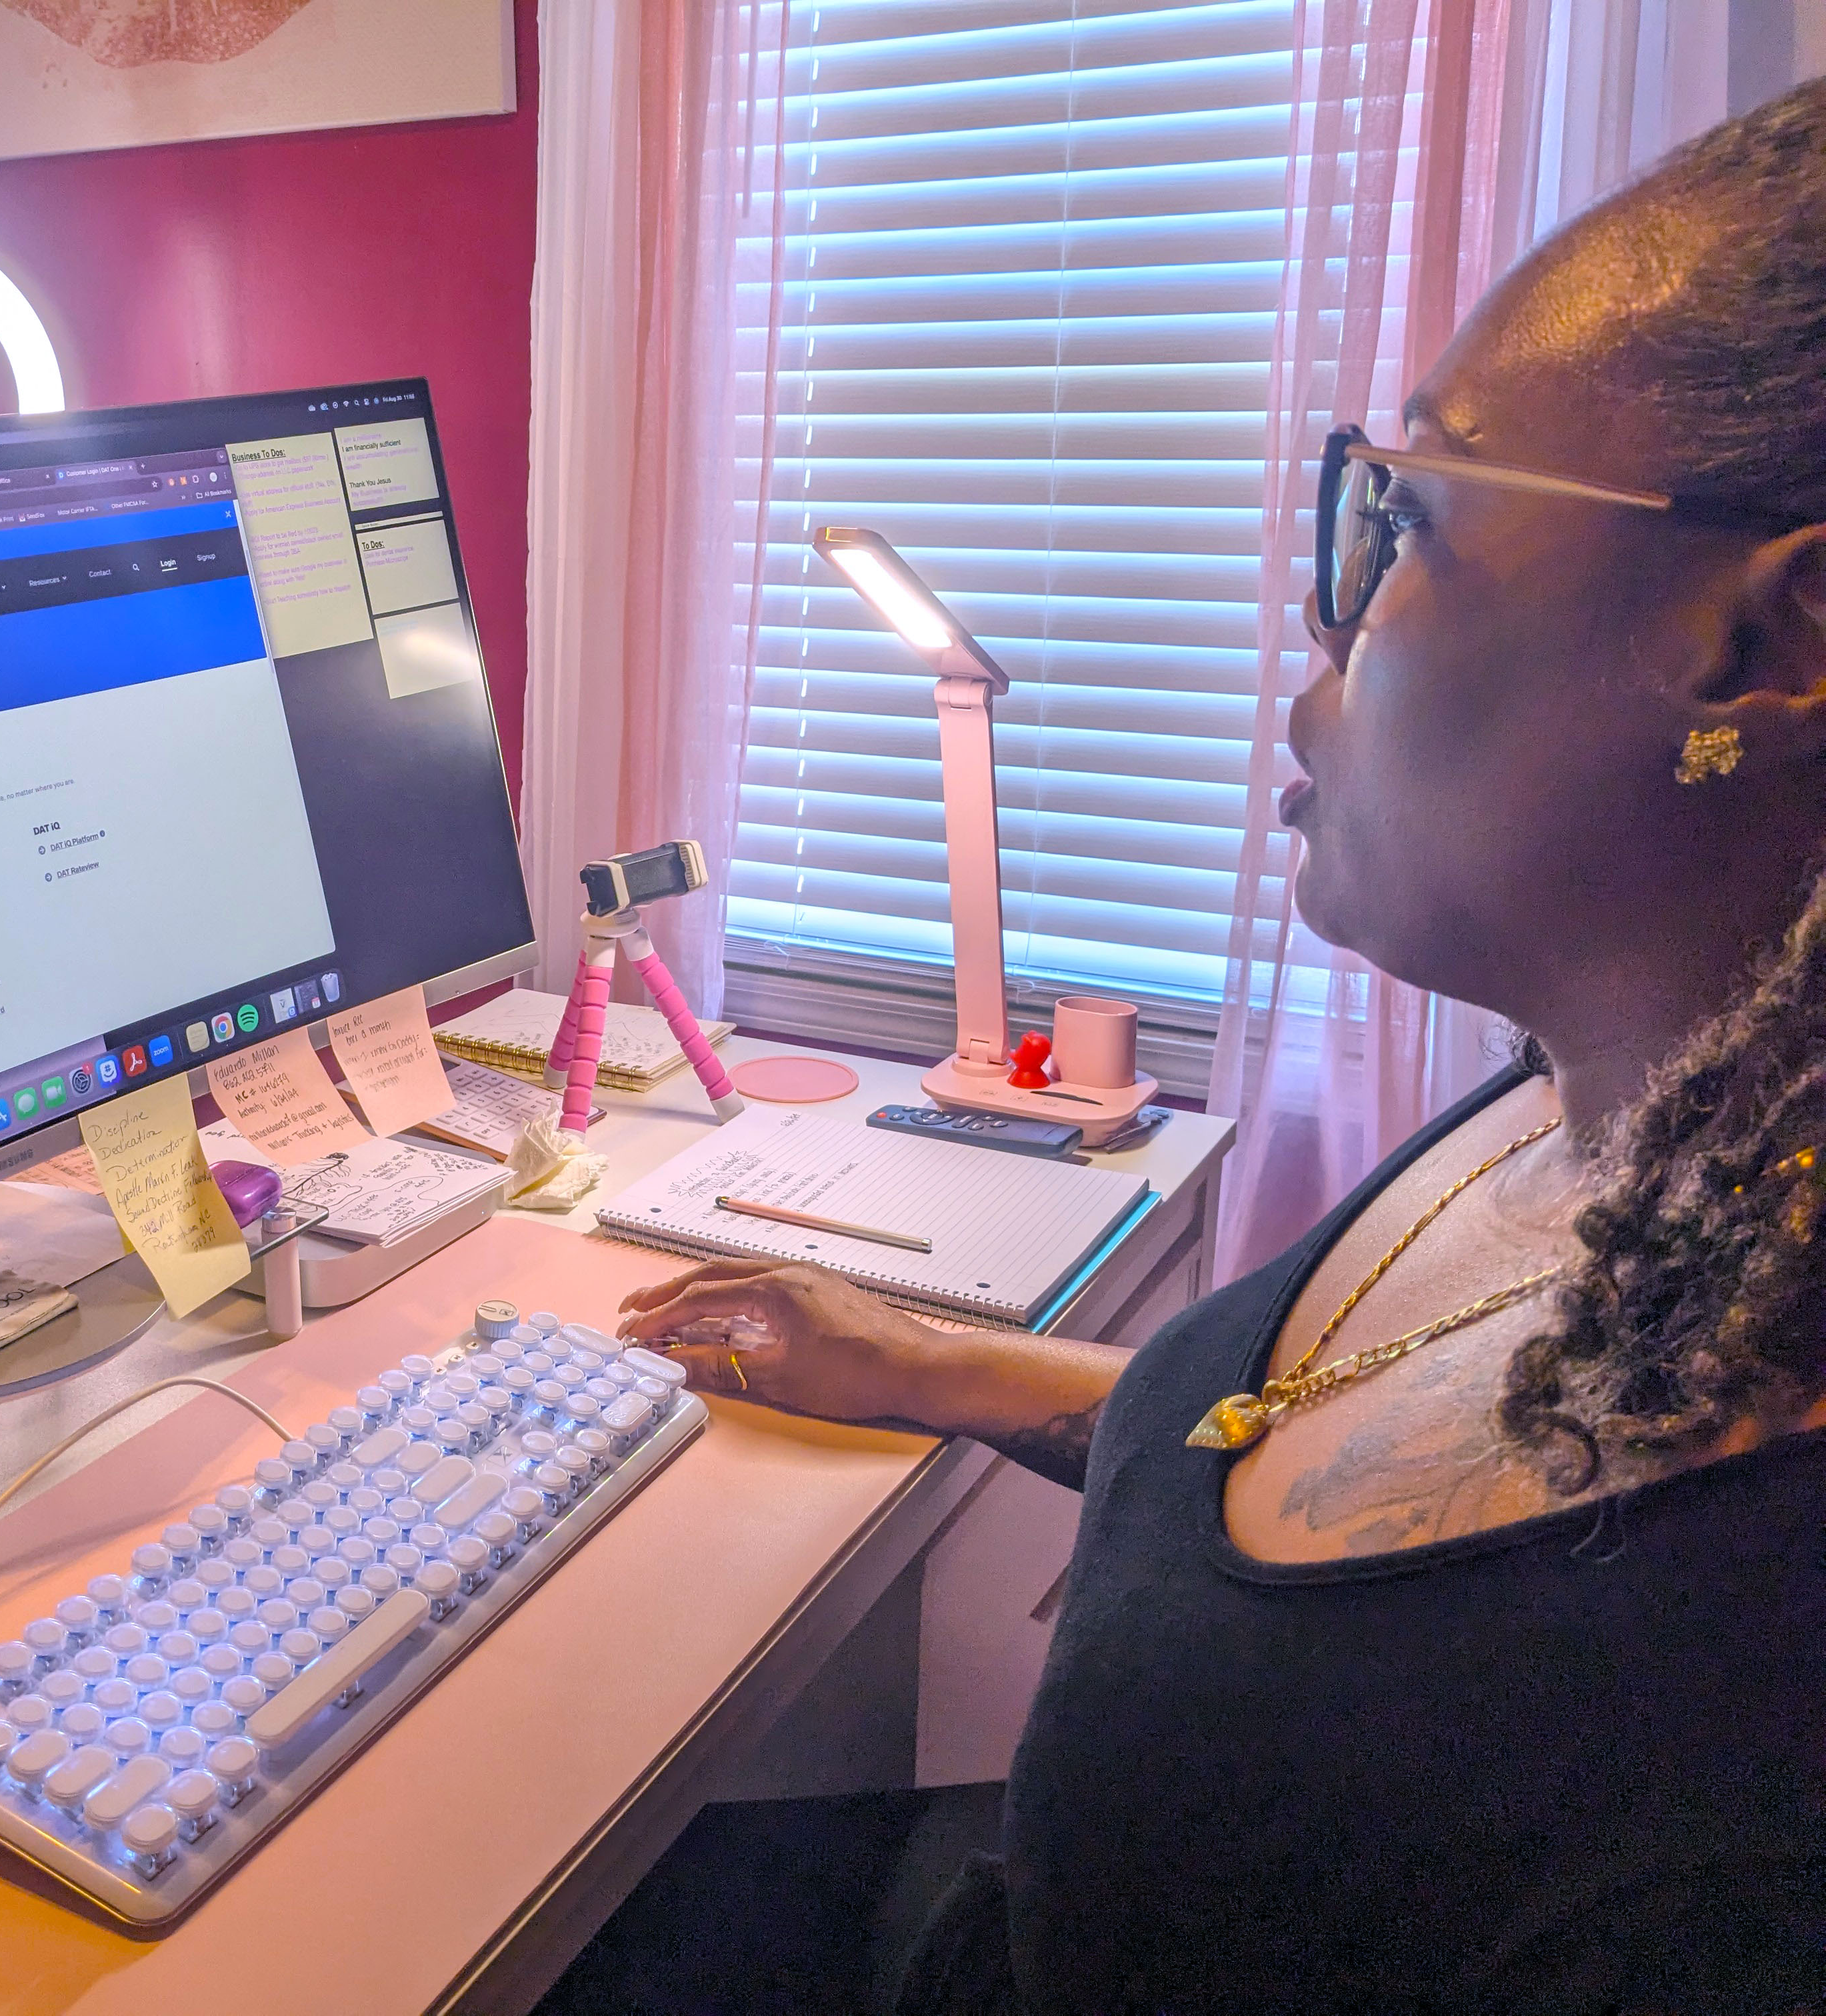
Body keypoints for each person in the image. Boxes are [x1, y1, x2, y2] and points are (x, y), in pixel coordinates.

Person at [543, 75, 1826, 2016]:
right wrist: (933, 1362)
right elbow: (1324, 1428)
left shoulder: (1731, 1833)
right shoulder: (1633, 1113)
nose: (1317, 640)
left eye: (1407, 519)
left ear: (1772, 635)